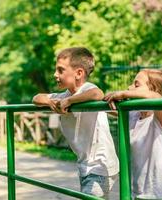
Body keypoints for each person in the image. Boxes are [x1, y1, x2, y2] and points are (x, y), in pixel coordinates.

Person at [32, 47, 119, 199]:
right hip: (85, 165)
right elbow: (36, 98)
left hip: (101, 165)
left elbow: (97, 94)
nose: (55, 75)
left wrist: (69, 101)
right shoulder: (64, 94)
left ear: (79, 73)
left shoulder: (87, 89)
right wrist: (49, 101)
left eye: (60, 70)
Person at [104, 69, 162, 200]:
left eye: (136, 85)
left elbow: (158, 99)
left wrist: (124, 93)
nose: (129, 88)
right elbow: (105, 101)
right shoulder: (133, 115)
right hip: (137, 194)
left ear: (154, 90)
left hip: (159, 195)